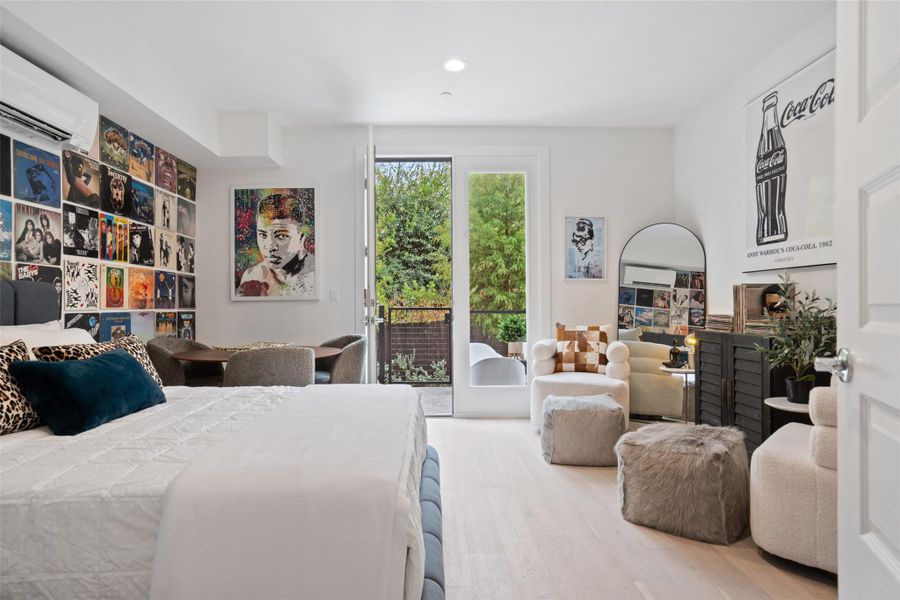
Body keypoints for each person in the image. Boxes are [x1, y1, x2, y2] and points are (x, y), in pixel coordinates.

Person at [237, 192, 315, 297]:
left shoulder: (316, 274)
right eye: (262, 234)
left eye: (281, 236)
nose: (269, 247)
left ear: (301, 237)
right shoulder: (253, 275)